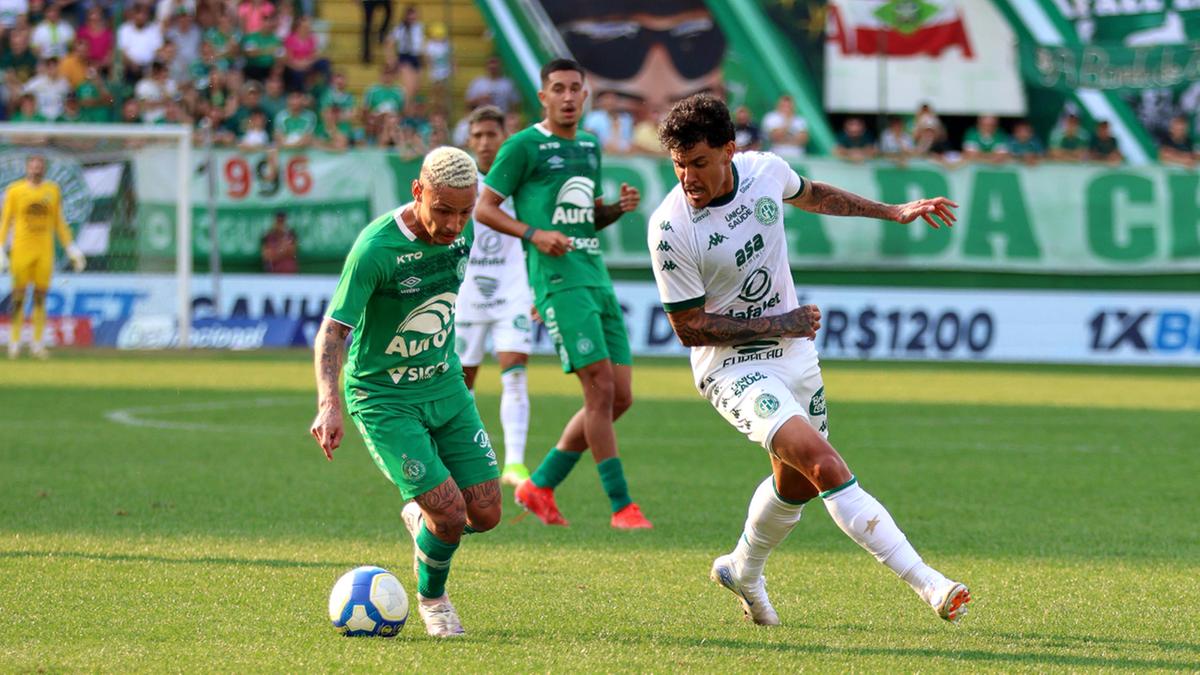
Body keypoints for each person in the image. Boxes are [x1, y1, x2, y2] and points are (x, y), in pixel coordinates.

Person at [647, 94, 970, 626]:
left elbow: (815, 194)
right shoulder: (670, 227)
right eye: (679, 165)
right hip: (731, 367)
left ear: (729, 150)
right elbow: (688, 328)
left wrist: (892, 211)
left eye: (699, 162)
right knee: (824, 464)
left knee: (794, 483)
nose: (688, 178)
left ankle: (742, 569)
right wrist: (783, 323)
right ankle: (931, 584)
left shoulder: (765, 173)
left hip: (794, 354)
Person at [310, 146, 501, 638]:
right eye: (443, 210)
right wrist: (329, 404)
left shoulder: (463, 229)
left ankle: (426, 520)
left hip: (445, 384)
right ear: (418, 191)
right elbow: (333, 332)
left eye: (465, 211)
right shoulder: (376, 248)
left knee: (486, 513)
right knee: (452, 514)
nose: (456, 224)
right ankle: (433, 599)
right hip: (384, 397)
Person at [475, 58, 651, 530]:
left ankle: (540, 484)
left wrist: (614, 209)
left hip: (595, 277)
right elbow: (484, 208)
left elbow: (582, 216)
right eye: (559, 88)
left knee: (620, 397)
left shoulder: (590, 147)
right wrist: (534, 234)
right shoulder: (522, 146)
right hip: (557, 281)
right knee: (599, 387)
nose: (568, 96)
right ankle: (622, 506)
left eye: (576, 88)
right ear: (543, 96)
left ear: (586, 95)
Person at [453, 105, 533, 487]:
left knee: (515, 374)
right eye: (478, 136)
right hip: (467, 293)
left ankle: (515, 464)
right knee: (460, 383)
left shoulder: (521, 178)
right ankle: (459, 457)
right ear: (470, 141)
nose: (485, 143)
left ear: (506, 135)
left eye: (491, 135)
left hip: (513, 289)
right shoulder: (458, 180)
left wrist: (538, 290)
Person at [1, 154, 87, 360]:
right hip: (21, 251)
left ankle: (37, 345)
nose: (36, 169)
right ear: (27, 168)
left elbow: (59, 222)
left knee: (40, 299)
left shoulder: (52, 191)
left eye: (39, 166)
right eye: (32, 166)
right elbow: (6, 220)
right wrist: (1, 247)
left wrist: (71, 248)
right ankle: (14, 343)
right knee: (19, 298)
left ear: (44, 169)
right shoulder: (15, 191)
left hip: (44, 252)